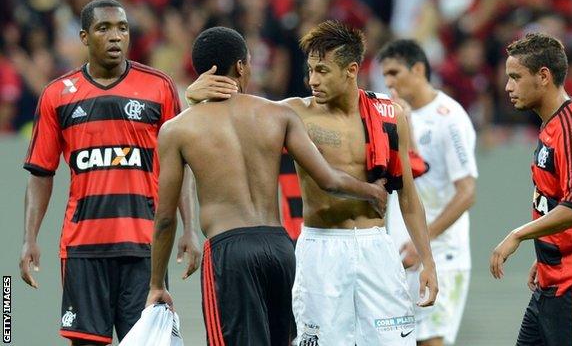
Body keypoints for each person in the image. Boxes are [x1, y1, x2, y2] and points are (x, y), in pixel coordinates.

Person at [187, 20, 438, 346]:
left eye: (322, 70)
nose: (312, 80)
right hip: (321, 249)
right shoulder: (294, 113)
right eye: (310, 70)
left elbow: (407, 195)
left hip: (377, 246)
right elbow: (235, 117)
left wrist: (428, 261)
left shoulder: (389, 115)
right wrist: (194, 98)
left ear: (351, 70)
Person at [145, 26, 388, 346]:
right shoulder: (277, 114)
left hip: (228, 252)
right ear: (242, 66)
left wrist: (156, 285)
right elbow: (328, 180)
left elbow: (164, 217)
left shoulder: (177, 129)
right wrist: (372, 191)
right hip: (279, 248)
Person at [19, 0, 201, 345]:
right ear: (85, 37)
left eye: (123, 28)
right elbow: (41, 172)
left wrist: (191, 228)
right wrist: (30, 238)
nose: (116, 36)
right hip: (83, 249)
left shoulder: (159, 88)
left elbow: (180, 167)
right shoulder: (57, 94)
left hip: (145, 249)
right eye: (104, 28)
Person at [490, 32, 572, 346]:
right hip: (558, 272)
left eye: (515, 77)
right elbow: (560, 199)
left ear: (544, 76)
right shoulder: (556, 122)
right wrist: (547, 248)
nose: (508, 86)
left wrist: (519, 235)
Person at [378, 39, 477, 346]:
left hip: (441, 254)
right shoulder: (395, 117)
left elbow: (467, 191)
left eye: (394, 72)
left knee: (430, 341)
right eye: (386, 76)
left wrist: (426, 238)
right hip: (404, 253)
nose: (389, 82)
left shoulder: (450, 117)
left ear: (418, 69)